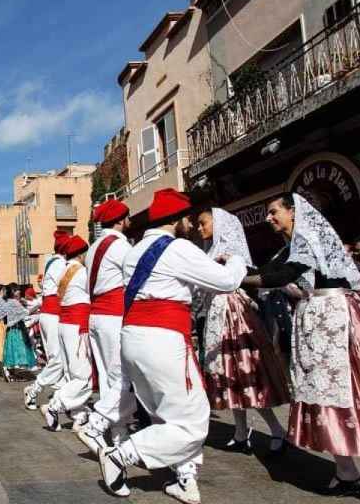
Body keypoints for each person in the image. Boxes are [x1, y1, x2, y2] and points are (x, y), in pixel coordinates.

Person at [241, 194, 360, 498]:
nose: (268, 218)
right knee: (320, 396)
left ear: (293, 212)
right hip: (313, 321)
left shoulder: (310, 236)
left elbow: (282, 275)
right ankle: (347, 472)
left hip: (338, 319)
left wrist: (233, 277)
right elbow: (272, 272)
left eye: (273, 211)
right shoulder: (290, 247)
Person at [98, 189, 247, 503]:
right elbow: (226, 282)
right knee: (192, 422)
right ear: (177, 219)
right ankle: (121, 455)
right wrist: (236, 260)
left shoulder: (135, 250)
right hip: (163, 339)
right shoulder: (178, 247)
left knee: (164, 414)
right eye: (188, 219)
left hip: (134, 337)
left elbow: (171, 278)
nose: (192, 225)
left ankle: (185, 478)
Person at [195, 208, 289, 454]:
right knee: (230, 377)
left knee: (247, 375)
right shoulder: (211, 253)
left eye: (203, 223)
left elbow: (234, 281)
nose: (199, 228)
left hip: (234, 317)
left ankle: (277, 429)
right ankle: (239, 432)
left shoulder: (232, 256)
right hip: (218, 316)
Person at [76, 200, 136, 453]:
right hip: (114, 314)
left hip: (96, 315)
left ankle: (119, 433)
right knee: (121, 376)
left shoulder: (93, 247)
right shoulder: (120, 245)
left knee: (106, 375)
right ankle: (98, 425)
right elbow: (133, 277)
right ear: (121, 220)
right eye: (128, 218)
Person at [41, 235, 91, 431]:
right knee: (83, 376)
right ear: (81, 254)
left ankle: (79, 414)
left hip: (64, 323)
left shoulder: (63, 270)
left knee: (72, 373)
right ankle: (55, 406)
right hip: (77, 325)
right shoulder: (81, 271)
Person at [23, 231, 70, 410]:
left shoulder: (52, 261)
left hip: (49, 313)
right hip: (53, 313)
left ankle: (59, 393)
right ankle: (34, 389)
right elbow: (64, 288)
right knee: (57, 358)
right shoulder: (59, 264)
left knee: (58, 358)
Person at [0, 284, 35, 379]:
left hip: (11, 330)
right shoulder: (14, 303)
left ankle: (9, 370)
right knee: (19, 349)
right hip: (17, 329)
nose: (18, 291)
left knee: (11, 349)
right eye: (16, 290)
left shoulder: (7, 302)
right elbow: (25, 313)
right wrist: (37, 306)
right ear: (12, 292)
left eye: (18, 290)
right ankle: (12, 370)